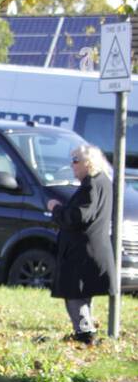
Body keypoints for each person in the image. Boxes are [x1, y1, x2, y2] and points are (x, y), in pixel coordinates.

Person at [46, 144, 115, 346]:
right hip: (88, 249)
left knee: (74, 293)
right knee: (80, 293)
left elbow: (77, 216)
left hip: (82, 251)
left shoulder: (92, 184)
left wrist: (56, 209)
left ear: (88, 162)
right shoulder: (101, 181)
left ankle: (85, 334)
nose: (72, 164)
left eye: (76, 160)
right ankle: (84, 331)